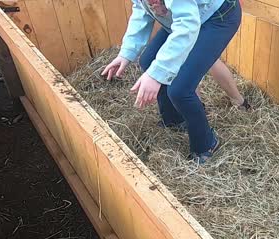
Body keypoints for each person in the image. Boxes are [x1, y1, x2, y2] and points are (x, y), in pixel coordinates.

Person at [102, 0, 244, 163]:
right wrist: (126, 54)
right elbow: (141, 10)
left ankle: (206, 145)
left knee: (180, 89)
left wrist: (157, 75)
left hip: (216, 17)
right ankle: (175, 120)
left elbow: (187, 25)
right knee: (148, 61)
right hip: (185, 15)